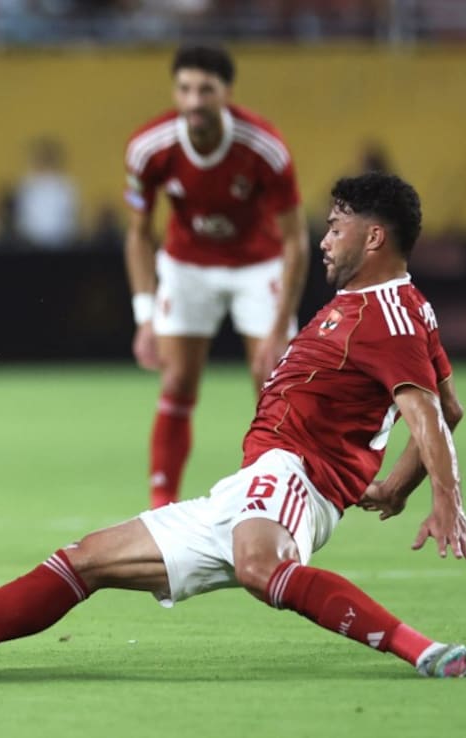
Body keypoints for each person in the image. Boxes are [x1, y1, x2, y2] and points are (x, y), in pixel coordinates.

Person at [0, 173, 466, 680]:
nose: (324, 238)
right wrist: (395, 487)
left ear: (374, 237)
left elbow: (426, 413)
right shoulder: (399, 308)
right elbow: (451, 407)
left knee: (263, 568)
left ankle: (426, 652)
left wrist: (445, 498)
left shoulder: (384, 314)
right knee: (85, 560)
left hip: (293, 476)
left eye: (337, 226)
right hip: (254, 485)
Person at [124, 44, 309, 509]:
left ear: (227, 93)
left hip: (258, 265)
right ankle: (161, 505)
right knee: (177, 381)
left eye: (205, 90)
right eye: (185, 89)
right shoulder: (149, 148)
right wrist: (145, 317)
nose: (194, 101)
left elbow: (296, 241)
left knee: (272, 384)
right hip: (187, 265)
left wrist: (278, 326)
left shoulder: (264, 147)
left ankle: (273, 499)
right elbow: (138, 234)